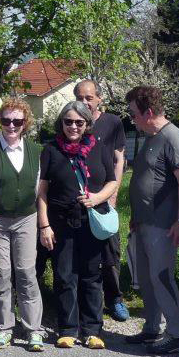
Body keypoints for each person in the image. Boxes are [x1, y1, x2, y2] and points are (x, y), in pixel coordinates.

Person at [38, 101, 118, 350]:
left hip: (91, 221)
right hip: (61, 222)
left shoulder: (100, 148)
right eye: (68, 121)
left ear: (87, 124)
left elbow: (112, 182)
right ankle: (67, 329)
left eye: (79, 122)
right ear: (61, 123)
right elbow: (42, 192)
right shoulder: (51, 150)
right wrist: (44, 225)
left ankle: (92, 330)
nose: (73, 126)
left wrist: (96, 198)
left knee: (92, 275)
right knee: (64, 276)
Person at [123, 86, 179, 355]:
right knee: (147, 278)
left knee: (161, 277)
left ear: (148, 112)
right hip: (144, 222)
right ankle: (152, 328)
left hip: (163, 224)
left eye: (134, 114)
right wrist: (136, 217)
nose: (132, 119)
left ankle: (176, 335)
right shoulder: (150, 137)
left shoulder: (173, 137)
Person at [0, 98, 45, 352]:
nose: (11, 125)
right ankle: (4, 328)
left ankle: (33, 329)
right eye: (6, 120)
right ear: (0, 122)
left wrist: (43, 222)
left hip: (26, 218)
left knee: (26, 272)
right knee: (0, 274)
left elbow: (39, 191)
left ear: (25, 123)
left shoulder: (37, 151)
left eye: (17, 121)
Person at [74, 79, 129, 322]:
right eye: (80, 97)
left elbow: (119, 160)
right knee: (81, 253)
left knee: (110, 253)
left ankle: (115, 298)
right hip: (79, 197)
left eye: (89, 98)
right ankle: (81, 301)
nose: (84, 102)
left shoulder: (112, 123)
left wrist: (114, 192)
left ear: (99, 99)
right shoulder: (72, 121)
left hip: (105, 195)